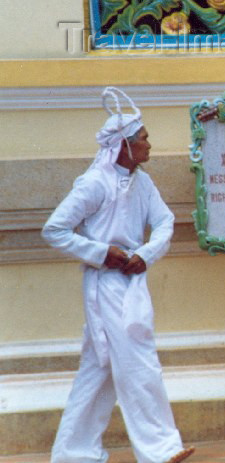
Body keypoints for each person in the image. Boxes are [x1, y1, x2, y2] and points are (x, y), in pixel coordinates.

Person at [42, 87, 194, 463]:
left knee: (100, 368)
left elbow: (164, 222)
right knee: (138, 361)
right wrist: (101, 254)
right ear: (124, 146)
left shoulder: (142, 182)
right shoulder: (94, 182)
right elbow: (55, 229)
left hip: (132, 280)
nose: (149, 144)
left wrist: (144, 254)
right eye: (143, 138)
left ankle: (72, 453)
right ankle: (161, 450)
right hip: (105, 285)